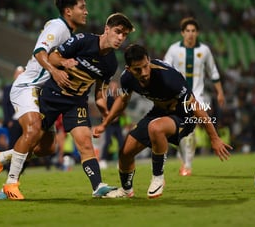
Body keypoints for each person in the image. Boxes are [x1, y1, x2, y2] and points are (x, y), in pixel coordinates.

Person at [93, 44, 232, 198]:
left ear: (149, 60)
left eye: (146, 66)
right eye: (138, 69)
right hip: (159, 112)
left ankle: (158, 177)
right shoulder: (127, 78)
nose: (144, 73)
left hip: (183, 116)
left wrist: (214, 137)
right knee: (125, 153)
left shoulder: (168, 77)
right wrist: (105, 123)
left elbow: (195, 106)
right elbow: (123, 101)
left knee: (155, 128)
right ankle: (126, 190)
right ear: (129, 68)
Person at [0, 0, 88, 200]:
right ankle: (11, 184)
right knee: (32, 131)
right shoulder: (57, 26)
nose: (86, 11)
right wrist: (55, 71)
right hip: (28, 85)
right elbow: (39, 51)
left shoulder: (70, 34)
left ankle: (1, 157)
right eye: (82, 7)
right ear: (68, 11)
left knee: (47, 147)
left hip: (44, 93)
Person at [39, 12, 135, 198]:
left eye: (124, 35)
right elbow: (52, 58)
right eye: (118, 32)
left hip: (76, 102)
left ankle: (97, 186)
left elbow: (100, 93)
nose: (120, 38)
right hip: (53, 95)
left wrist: (106, 113)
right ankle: (9, 173)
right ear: (107, 29)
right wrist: (64, 62)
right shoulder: (82, 40)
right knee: (38, 145)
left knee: (85, 142)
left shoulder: (111, 64)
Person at [163, 17, 225, 176]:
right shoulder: (174, 50)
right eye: (187, 31)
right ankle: (184, 157)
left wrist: (220, 92)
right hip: (177, 96)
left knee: (190, 129)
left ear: (197, 33)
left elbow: (213, 71)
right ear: (182, 33)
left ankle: (187, 165)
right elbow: (164, 69)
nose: (190, 34)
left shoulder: (204, 50)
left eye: (193, 31)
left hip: (198, 97)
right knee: (182, 131)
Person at [99, 80, 125, 169]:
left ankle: (121, 161)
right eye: (112, 86)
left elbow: (122, 109)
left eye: (115, 86)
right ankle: (102, 160)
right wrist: (110, 117)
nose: (114, 88)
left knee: (121, 142)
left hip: (117, 124)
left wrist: (120, 116)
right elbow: (103, 109)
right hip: (109, 123)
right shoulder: (107, 97)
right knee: (107, 141)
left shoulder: (119, 97)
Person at [1, 66, 24, 149]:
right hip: (13, 121)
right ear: (14, 75)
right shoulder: (8, 88)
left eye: (22, 74)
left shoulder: (26, 89)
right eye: (18, 73)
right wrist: (8, 120)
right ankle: (10, 161)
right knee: (13, 144)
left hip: (23, 120)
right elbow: (5, 104)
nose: (20, 76)